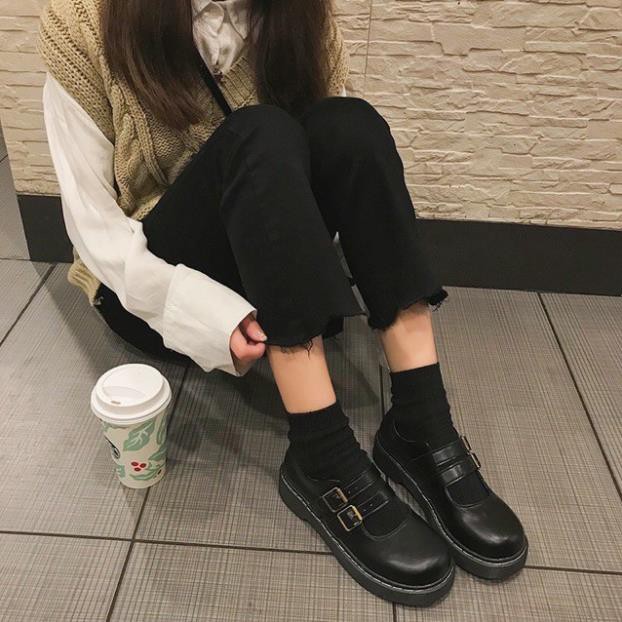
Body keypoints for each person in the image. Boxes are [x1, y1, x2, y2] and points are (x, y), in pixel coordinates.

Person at [37, 0, 527, 606]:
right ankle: (320, 451)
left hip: (264, 260)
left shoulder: (298, 12)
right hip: (151, 289)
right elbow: (93, 229)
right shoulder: (84, 21)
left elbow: (329, 166)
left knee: (351, 126)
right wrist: (203, 312)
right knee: (259, 132)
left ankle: (421, 421)